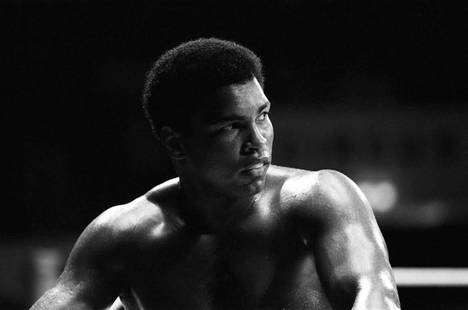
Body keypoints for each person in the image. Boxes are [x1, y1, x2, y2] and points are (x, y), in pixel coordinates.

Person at [30, 38, 400, 310]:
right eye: (230, 127)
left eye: (263, 116)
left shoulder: (320, 198)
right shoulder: (124, 236)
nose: (257, 142)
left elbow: (376, 296)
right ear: (176, 145)